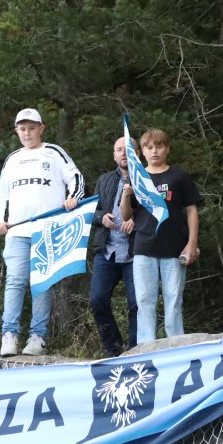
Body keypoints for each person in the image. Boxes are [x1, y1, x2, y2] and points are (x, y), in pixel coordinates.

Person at [0, 109, 85, 357]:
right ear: (16, 131)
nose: (27, 133)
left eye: (31, 128)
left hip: (48, 229)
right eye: (22, 128)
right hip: (17, 232)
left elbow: (75, 177)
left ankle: (37, 337)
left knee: (42, 283)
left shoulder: (53, 153)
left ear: (41, 128)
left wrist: (72, 198)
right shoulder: (13, 158)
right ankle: (9, 334)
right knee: (14, 281)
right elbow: (0, 195)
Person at [120, 129, 202, 342]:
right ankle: (146, 346)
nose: (154, 151)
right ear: (142, 152)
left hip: (175, 246)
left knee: (174, 299)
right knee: (145, 299)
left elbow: (192, 210)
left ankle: (175, 345)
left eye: (159, 146)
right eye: (149, 147)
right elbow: (126, 215)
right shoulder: (138, 177)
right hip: (144, 246)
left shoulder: (179, 177)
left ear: (167, 149)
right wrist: (126, 195)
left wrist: (192, 243)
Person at [89, 137, 137, 358]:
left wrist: (136, 220)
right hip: (107, 249)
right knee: (97, 299)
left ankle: (137, 350)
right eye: (119, 150)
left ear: (137, 153)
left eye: (128, 149)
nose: (123, 153)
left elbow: (157, 210)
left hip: (135, 251)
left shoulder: (147, 179)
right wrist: (101, 217)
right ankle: (112, 347)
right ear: (114, 155)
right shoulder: (104, 179)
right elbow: (92, 210)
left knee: (136, 304)